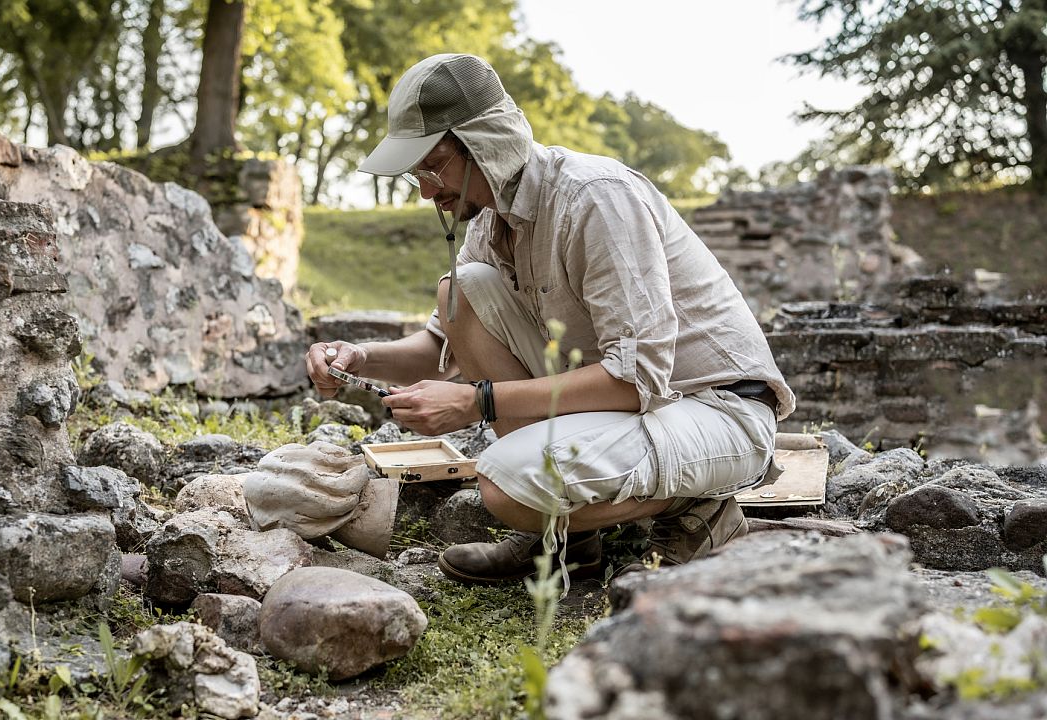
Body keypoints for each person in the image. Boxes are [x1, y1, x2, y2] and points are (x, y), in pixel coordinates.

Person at [305, 53, 795, 584]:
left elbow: (637, 379)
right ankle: (572, 543)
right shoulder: (490, 220)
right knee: (461, 291)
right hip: (637, 408)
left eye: (433, 165)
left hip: (717, 410)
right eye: (415, 172)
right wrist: (358, 358)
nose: (426, 190)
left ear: (483, 143)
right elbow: (437, 350)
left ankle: (696, 509)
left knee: (503, 487)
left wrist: (478, 402)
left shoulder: (596, 198)